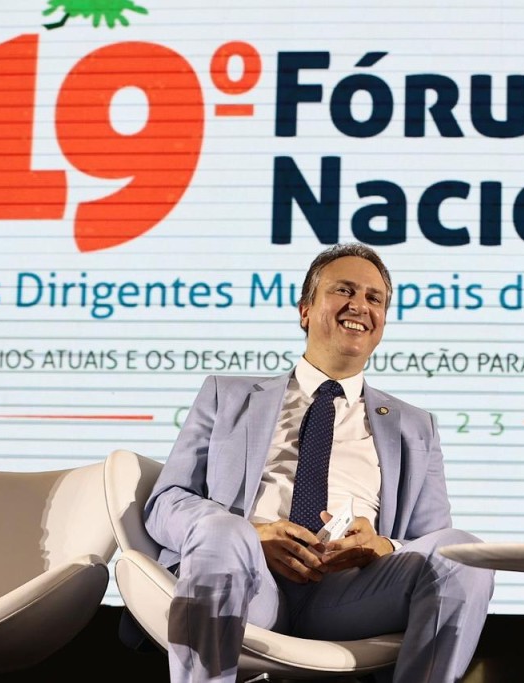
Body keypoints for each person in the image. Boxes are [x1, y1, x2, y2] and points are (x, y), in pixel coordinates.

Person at [144, 244, 494, 683]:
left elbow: (432, 538)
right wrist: (251, 534)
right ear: (305, 310)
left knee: (464, 554)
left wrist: (382, 546)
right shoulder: (227, 396)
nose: (359, 305)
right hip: (249, 579)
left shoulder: (415, 426)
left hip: (350, 594)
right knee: (223, 531)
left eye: (374, 298)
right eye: (343, 290)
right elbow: (166, 502)